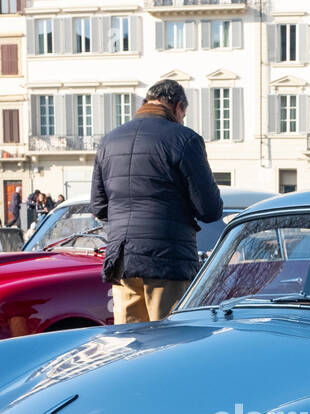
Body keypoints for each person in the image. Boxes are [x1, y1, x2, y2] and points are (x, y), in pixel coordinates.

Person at [90, 78, 222, 324]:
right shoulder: (185, 139)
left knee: (129, 346)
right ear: (179, 107)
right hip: (168, 259)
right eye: (184, 114)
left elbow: (99, 206)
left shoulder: (109, 140)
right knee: (169, 345)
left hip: (122, 260)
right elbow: (210, 210)